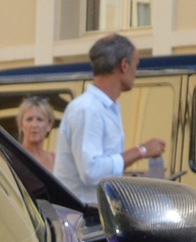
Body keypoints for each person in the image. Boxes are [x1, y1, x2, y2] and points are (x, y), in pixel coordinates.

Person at [53, 33, 165, 206]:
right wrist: (141, 150)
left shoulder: (105, 107)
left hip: (95, 214)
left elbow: (103, 169)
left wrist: (130, 181)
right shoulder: (87, 109)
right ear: (124, 65)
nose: (137, 72)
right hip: (83, 219)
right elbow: (91, 171)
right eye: (137, 64)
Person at [15, 96, 58, 171]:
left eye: (40, 120)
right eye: (29, 119)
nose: (34, 125)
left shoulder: (55, 160)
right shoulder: (12, 156)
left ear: (49, 125)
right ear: (21, 124)